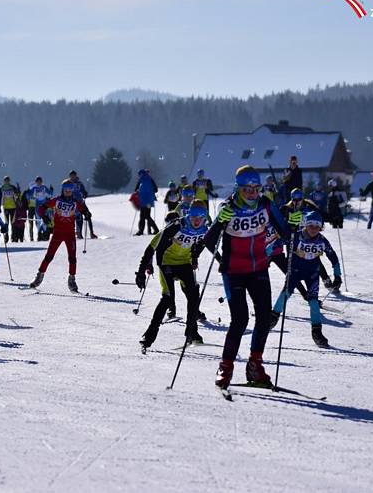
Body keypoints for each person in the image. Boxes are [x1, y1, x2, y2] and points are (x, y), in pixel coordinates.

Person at [203, 165, 289, 390]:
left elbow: (286, 232)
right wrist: (220, 222)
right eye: (247, 189)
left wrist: (296, 224)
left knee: (263, 317)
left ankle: (255, 365)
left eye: (256, 188)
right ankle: (226, 365)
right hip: (234, 272)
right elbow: (209, 241)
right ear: (238, 188)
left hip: (259, 269)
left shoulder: (266, 205)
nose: (252, 193)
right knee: (240, 319)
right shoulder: (228, 208)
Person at [138, 202, 209, 350]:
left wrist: (195, 256)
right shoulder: (175, 227)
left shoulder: (203, 229)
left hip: (184, 263)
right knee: (167, 298)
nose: (197, 220)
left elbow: (203, 243)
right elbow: (151, 248)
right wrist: (141, 272)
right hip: (166, 263)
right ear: (189, 215)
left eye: (201, 217)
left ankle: (191, 332)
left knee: (193, 295)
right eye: (194, 216)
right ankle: (149, 336)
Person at [270, 211, 341, 347]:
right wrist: (265, 252)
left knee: (313, 302)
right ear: (305, 225)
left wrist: (337, 275)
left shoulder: (322, 241)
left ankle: (317, 332)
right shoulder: (295, 236)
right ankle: (272, 319)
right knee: (285, 294)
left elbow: (333, 257)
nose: (314, 229)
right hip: (295, 271)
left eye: (317, 226)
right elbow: (277, 243)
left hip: (312, 274)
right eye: (310, 225)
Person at [29, 179, 90, 292]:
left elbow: (84, 209)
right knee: (49, 256)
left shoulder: (75, 202)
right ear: (62, 190)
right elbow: (41, 208)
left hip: (70, 234)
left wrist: (86, 213)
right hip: (57, 233)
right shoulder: (57, 200)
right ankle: (39, 276)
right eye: (66, 189)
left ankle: (72, 279)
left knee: (72, 258)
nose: (68, 191)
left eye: (70, 189)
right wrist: (44, 217)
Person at [281, 187, 335, 288]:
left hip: (308, 237)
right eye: (294, 200)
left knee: (313, 258)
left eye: (299, 200)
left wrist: (332, 217)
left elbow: (320, 214)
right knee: (291, 260)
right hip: (293, 238)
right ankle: (291, 283)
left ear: (302, 198)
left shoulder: (309, 206)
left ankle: (325, 278)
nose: (296, 202)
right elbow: (279, 221)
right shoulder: (287, 208)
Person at [68, 170, 95, 238]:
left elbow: (83, 191)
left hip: (81, 202)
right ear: (70, 176)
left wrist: (85, 194)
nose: (73, 177)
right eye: (72, 175)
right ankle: (79, 234)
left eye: (74, 175)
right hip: (73, 204)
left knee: (88, 215)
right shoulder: (68, 184)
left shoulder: (79, 183)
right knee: (79, 218)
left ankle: (92, 233)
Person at [134, 169, 159, 236]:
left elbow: (136, 189)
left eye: (139, 175)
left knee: (144, 216)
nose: (139, 176)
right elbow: (156, 189)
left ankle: (142, 231)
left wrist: (138, 192)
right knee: (145, 216)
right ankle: (152, 230)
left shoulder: (142, 180)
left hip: (145, 201)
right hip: (147, 201)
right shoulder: (149, 179)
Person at [27, 177, 52, 241]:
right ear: (36, 182)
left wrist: (51, 190)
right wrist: (28, 193)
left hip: (44, 206)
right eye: (38, 181)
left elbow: (50, 194)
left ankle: (45, 234)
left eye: (40, 181)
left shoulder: (44, 187)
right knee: (38, 221)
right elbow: (29, 196)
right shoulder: (34, 188)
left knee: (45, 220)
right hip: (37, 207)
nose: (39, 183)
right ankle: (39, 234)